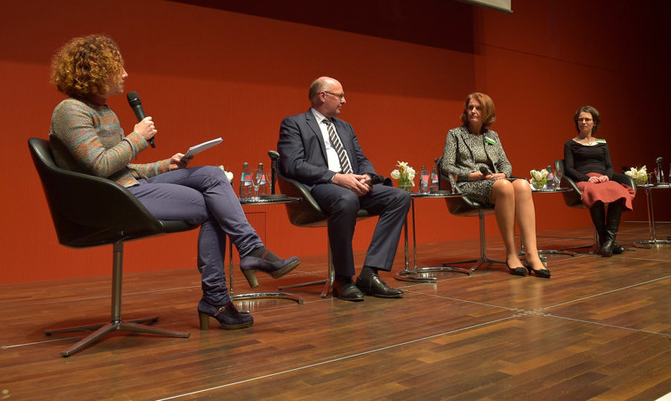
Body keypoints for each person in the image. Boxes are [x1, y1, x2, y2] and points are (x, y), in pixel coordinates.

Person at [48, 35, 299, 331]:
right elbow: (101, 166)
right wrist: (137, 138)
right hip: (107, 201)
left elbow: (122, 168)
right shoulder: (71, 111)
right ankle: (218, 296)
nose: (125, 74)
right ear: (96, 71)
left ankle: (250, 251)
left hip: (126, 187)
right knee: (214, 205)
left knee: (213, 176)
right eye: (118, 67)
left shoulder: (105, 112)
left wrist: (165, 164)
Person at [278, 76, 411, 301]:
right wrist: (337, 178)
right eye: (339, 96)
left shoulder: (346, 127)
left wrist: (367, 177)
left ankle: (370, 273)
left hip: (353, 183)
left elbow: (361, 158)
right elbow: (293, 164)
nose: (344, 101)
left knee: (400, 196)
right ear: (322, 96)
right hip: (322, 187)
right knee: (346, 199)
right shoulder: (295, 124)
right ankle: (343, 279)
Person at [440, 92, 550, 278]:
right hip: (468, 186)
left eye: (478, 108)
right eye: (470, 107)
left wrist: (503, 173)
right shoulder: (455, 135)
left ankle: (531, 254)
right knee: (504, 187)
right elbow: (446, 165)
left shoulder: (493, 136)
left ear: (487, 112)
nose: (473, 111)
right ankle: (512, 254)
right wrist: (470, 175)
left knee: (523, 185)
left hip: (494, 181)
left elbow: (505, 163)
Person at [563, 106, 635, 257]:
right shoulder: (570, 144)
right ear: (576, 122)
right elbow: (569, 169)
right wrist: (587, 178)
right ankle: (608, 243)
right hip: (584, 180)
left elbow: (609, 166)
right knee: (594, 192)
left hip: (603, 179)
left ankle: (607, 242)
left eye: (587, 119)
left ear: (594, 122)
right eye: (580, 119)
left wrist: (607, 176)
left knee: (619, 191)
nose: (583, 122)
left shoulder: (602, 142)